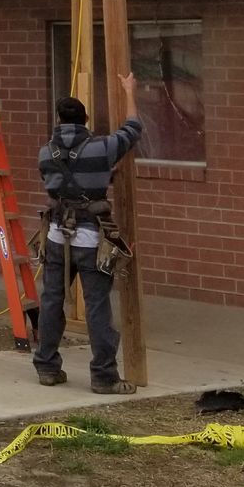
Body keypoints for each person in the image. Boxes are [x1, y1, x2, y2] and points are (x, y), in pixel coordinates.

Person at [34, 73, 143, 395]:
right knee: (97, 307)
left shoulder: (45, 153)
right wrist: (129, 91)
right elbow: (133, 129)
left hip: (56, 237)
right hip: (91, 240)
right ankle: (104, 377)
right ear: (85, 119)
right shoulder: (101, 147)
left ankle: (47, 367)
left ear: (59, 121)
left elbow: (59, 185)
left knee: (51, 301)